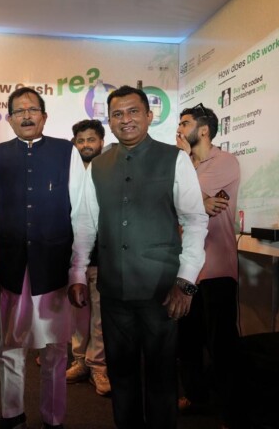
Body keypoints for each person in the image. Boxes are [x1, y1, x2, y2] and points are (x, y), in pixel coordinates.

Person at [70, 85, 208, 429]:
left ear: (149, 116)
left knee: (161, 378)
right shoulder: (98, 166)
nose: (126, 119)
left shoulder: (175, 159)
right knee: (122, 377)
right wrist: (77, 272)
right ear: (109, 121)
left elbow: (195, 221)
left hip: (163, 290)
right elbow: (85, 223)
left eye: (133, 111)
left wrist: (186, 282)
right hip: (113, 290)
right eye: (117, 114)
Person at [0, 87, 86, 429]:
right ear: (10, 119)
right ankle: (12, 414)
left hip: (53, 265)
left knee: (54, 348)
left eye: (32, 109)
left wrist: (78, 269)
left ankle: (53, 418)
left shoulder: (66, 152)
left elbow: (81, 212)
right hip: (11, 265)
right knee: (10, 345)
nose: (26, 116)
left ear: (44, 116)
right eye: (19, 111)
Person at [175, 103, 241, 428]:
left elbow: (190, 200)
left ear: (203, 130)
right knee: (186, 339)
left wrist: (192, 197)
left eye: (185, 122)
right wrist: (196, 200)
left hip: (216, 267)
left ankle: (232, 412)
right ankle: (195, 395)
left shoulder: (225, 161)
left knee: (222, 344)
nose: (178, 128)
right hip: (186, 269)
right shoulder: (183, 163)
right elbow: (178, 201)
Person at [66, 119, 111, 396]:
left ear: (101, 142)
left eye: (91, 139)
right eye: (81, 140)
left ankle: (98, 366)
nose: (85, 145)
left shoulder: (109, 170)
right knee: (77, 312)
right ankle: (79, 360)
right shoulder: (68, 171)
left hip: (101, 254)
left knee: (99, 314)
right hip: (72, 254)